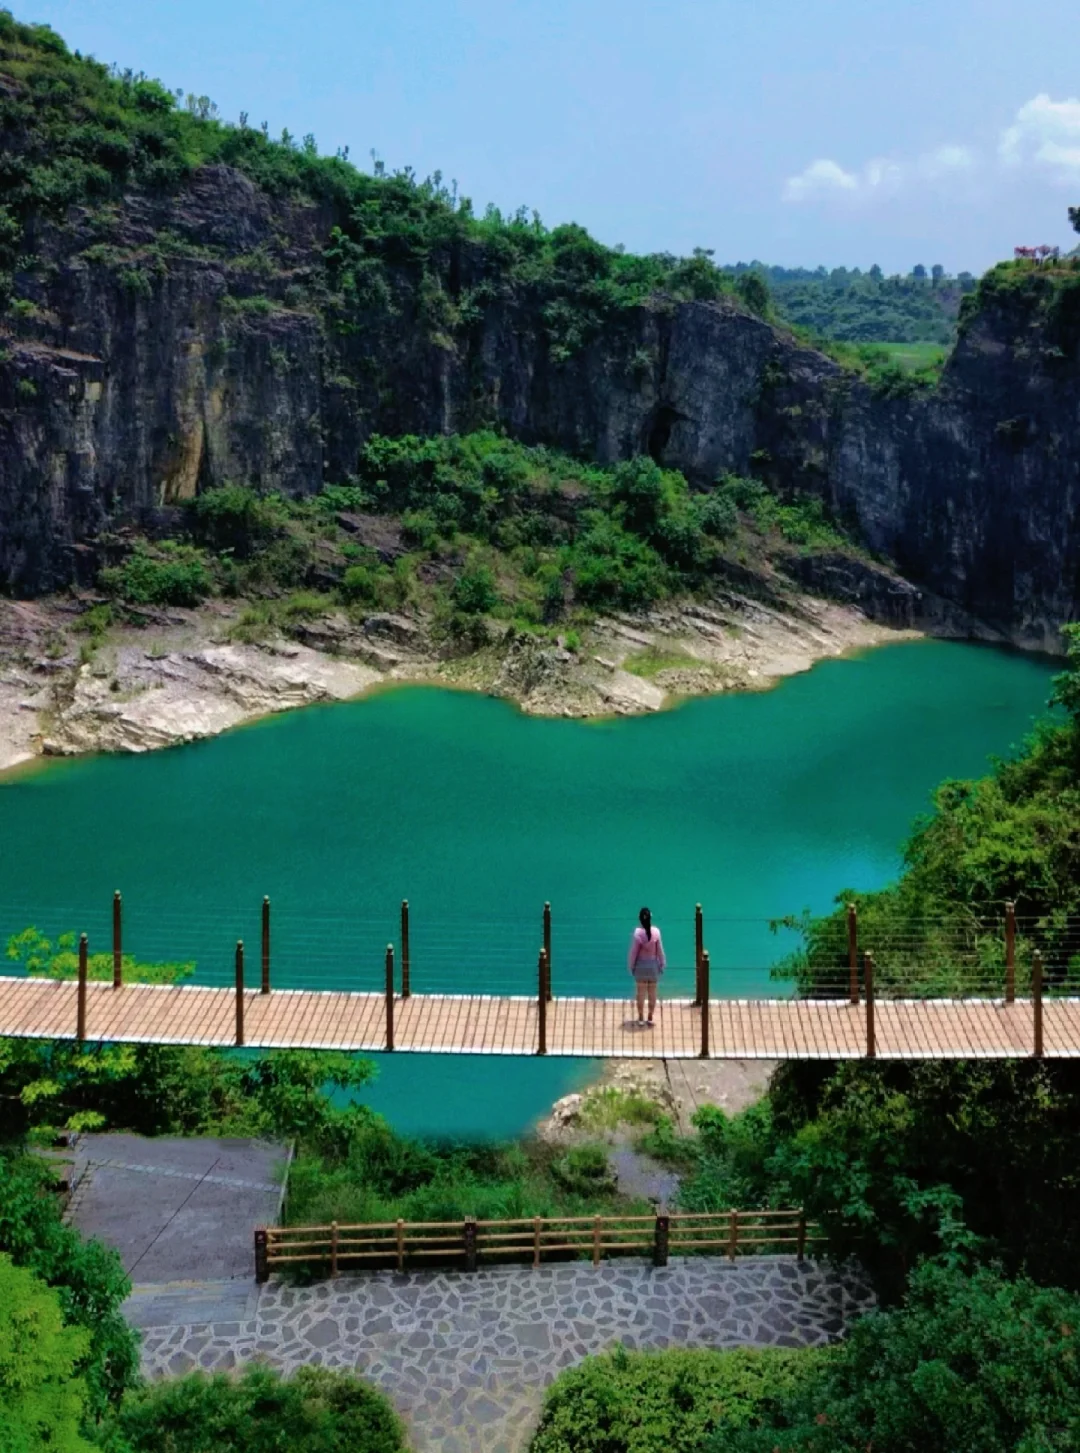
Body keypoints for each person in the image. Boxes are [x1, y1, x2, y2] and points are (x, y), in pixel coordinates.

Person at [627, 906, 665, 1027]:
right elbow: (660, 951)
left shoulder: (637, 933)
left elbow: (634, 952)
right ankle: (650, 1016)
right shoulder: (656, 932)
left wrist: (631, 966)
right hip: (653, 966)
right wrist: (662, 964)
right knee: (652, 993)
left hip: (641, 967)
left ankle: (641, 1017)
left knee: (641, 993)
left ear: (640, 919)